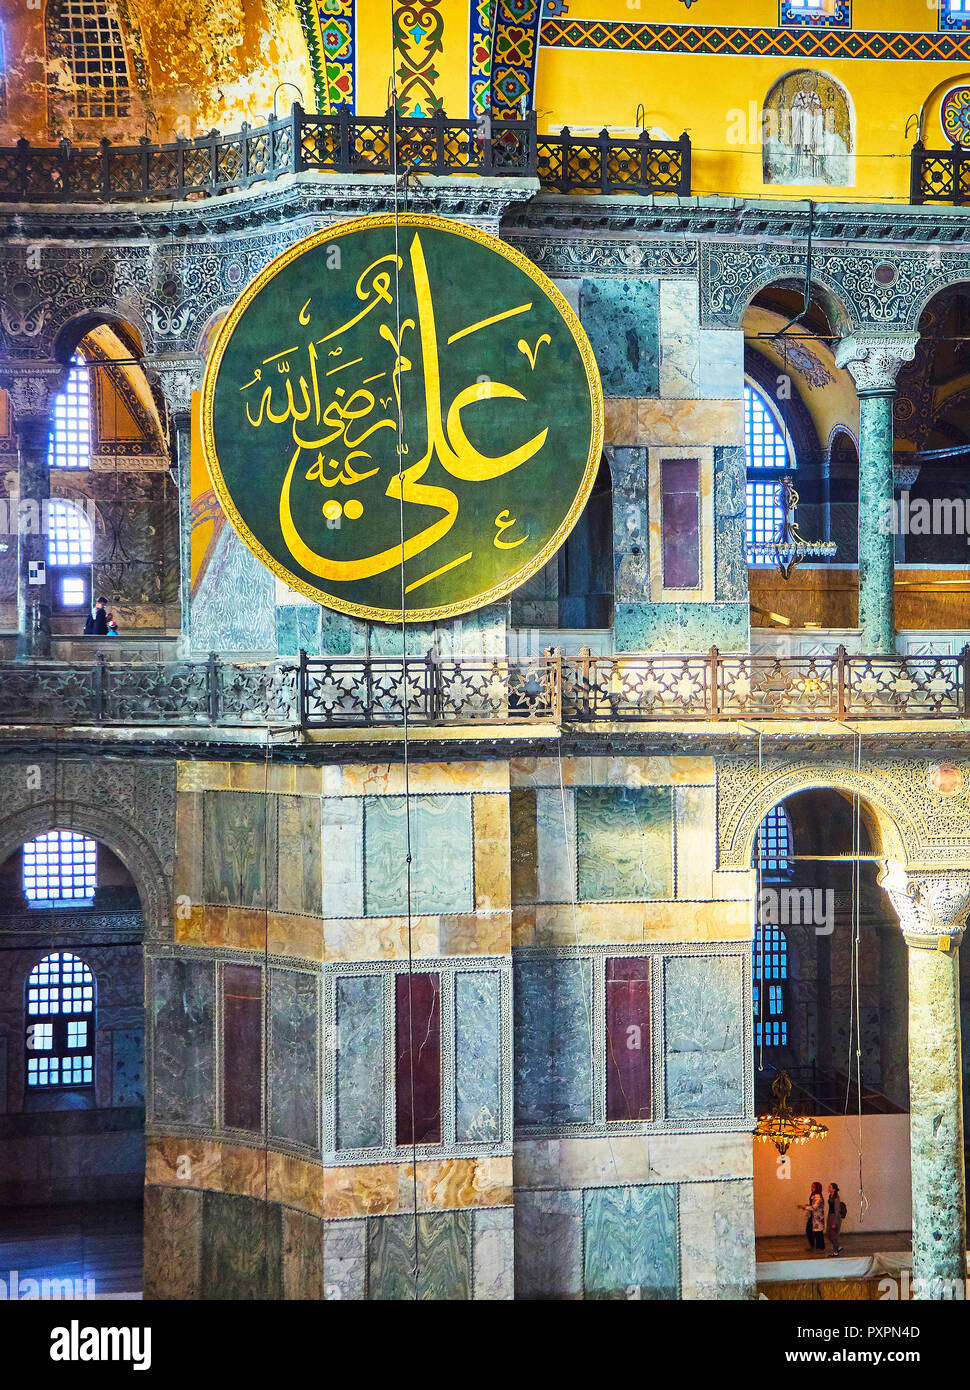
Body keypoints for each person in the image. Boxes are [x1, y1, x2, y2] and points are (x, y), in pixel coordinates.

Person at [799, 1181, 825, 1252]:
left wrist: (804, 1207)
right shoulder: (813, 1195)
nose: (812, 1188)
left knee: (818, 1232)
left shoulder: (818, 1196)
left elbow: (814, 1207)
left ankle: (820, 1247)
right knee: (810, 1231)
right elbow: (812, 1205)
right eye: (812, 1186)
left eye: (814, 1187)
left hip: (817, 1217)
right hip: (812, 1216)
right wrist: (807, 1206)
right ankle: (814, 1246)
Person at [826, 1182, 845, 1256]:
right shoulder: (830, 1196)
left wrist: (834, 1222)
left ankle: (835, 1252)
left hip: (835, 1217)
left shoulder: (836, 1198)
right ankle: (838, 1247)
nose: (828, 1188)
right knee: (828, 1234)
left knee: (834, 1235)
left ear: (834, 1189)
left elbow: (837, 1211)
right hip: (830, 1216)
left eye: (830, 1187)